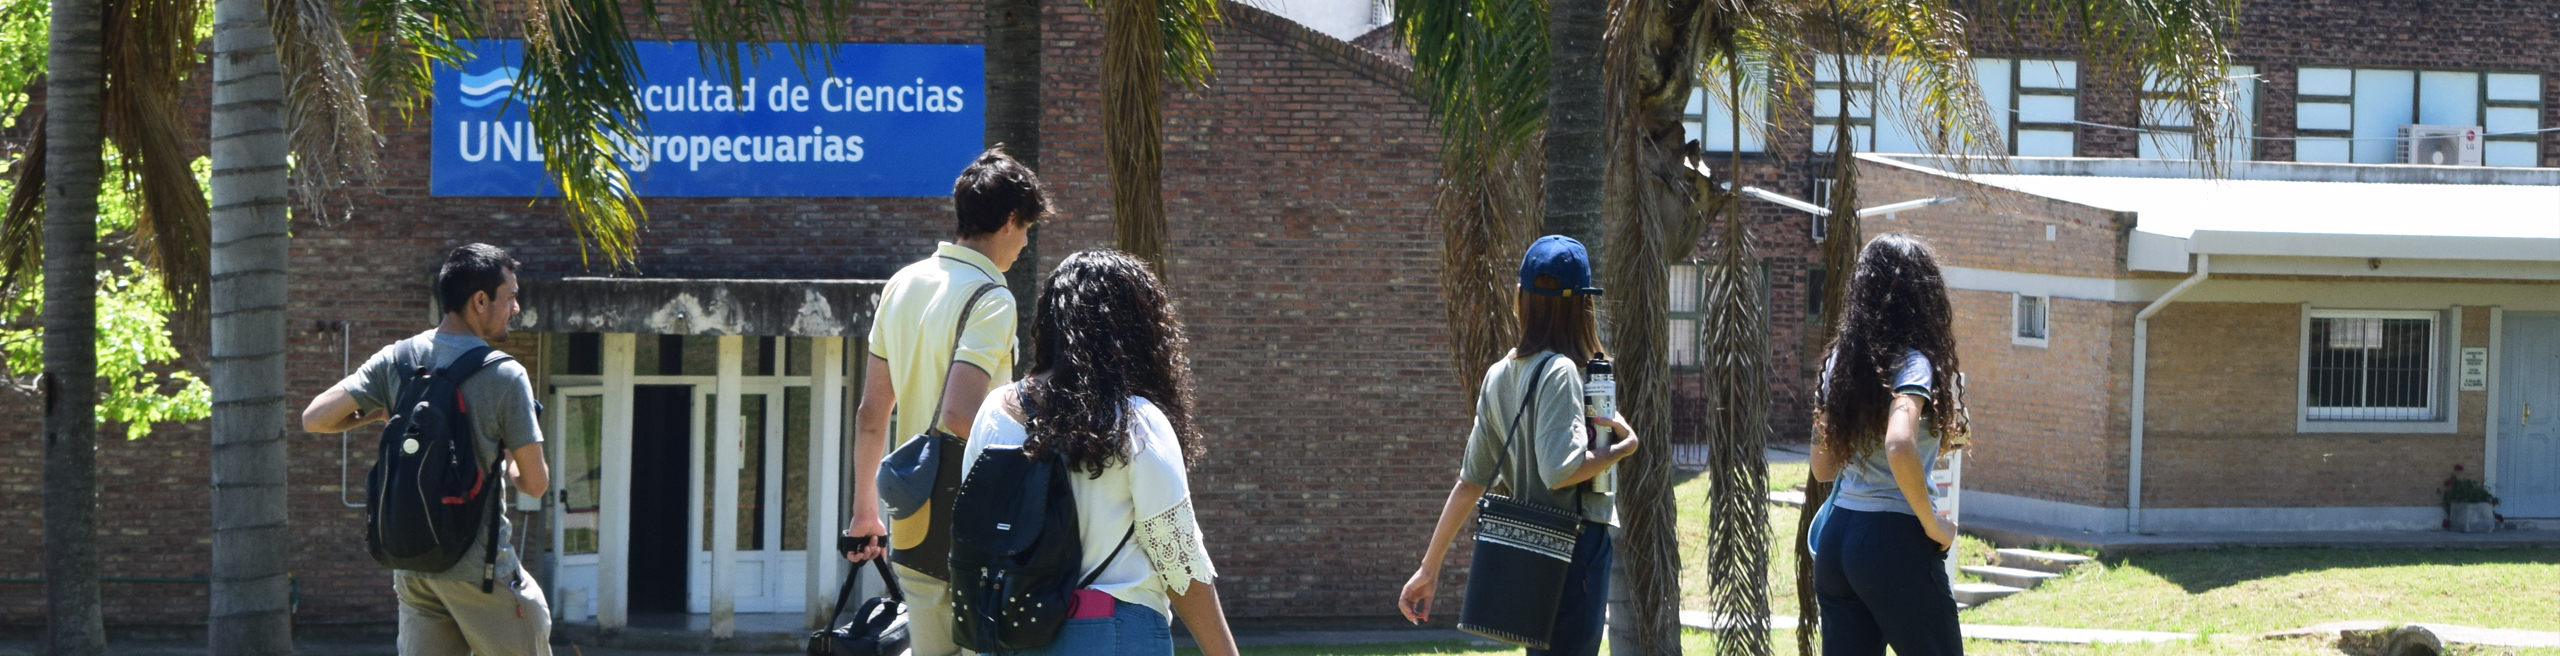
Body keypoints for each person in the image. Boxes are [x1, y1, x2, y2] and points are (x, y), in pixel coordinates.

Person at [958, 250, 1239, 656]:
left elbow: (977, 539)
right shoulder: (1137, 421)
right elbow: (1180, 563)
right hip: (1114, 633)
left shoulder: (992, 411)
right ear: (1138, 332)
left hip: (1010, 630)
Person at [842, 146, 1050, 656]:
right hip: (978, 522)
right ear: (1008, 220)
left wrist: (865, 514)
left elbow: (872, 414)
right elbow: (960, 416)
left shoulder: (903, 284)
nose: (1024, 244)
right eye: (1026, 229)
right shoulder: (991, 298)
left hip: (911, 516)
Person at [302, 243, 552, 656]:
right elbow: (536, 484)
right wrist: (508, 458)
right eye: (510, 297)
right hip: (481, 574)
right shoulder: (506, 374)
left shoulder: (397, 358)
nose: (516, 307)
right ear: (480, 300)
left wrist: (383, 412)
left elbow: (316, 418)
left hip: (415, 569)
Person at [1398, 235, 1639, 656]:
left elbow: (1470, 484)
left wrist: (1428, 567)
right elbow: (1560, 470)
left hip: (1529, 553)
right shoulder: (1562, 371)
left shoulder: (1499, 374)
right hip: (1575, 547)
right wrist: (1623, 446)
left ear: (1522, 299)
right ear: (1584, 305)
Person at [1809, 233, 1971, 656]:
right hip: (1892, 540)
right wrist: (1933, 524)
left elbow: (1822, 468)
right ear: (1925, 299)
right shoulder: (1915, 363)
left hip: (1837, 541)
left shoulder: (1840, 364)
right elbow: (1899, 443)